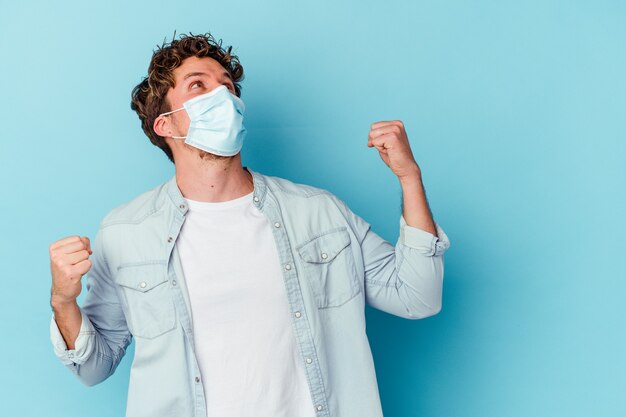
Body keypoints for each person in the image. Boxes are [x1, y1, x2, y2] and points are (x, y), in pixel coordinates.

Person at [49, 32, 451, 417]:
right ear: (165, 124)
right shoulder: (126, 232)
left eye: (228, 86)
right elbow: (93, 368)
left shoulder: (319, 212)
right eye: (198, 85)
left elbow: (418, 296)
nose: (222, 95)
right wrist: (63, 302)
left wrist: (409, 177)